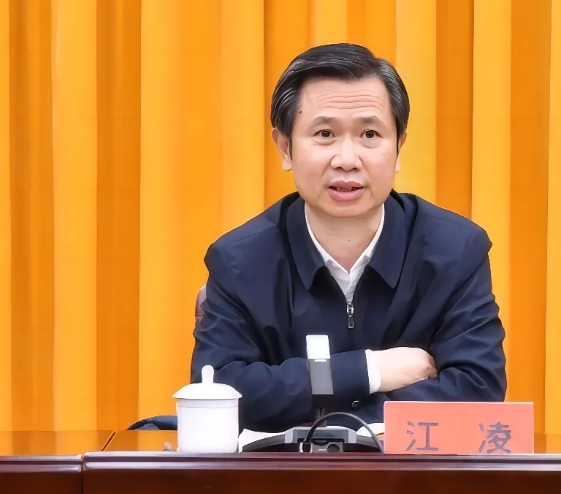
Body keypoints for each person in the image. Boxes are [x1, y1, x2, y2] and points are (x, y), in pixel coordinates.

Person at [191, 43, 506, 433]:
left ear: (398, 147)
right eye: (324, 134)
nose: (347, 159)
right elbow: (219, 394)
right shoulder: (239, 260)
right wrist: (369, 370)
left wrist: (330, 422)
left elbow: (477, 391)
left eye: (369, 134)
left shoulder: (456, 251)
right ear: (285, 148)